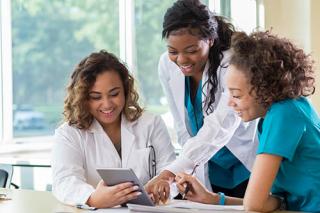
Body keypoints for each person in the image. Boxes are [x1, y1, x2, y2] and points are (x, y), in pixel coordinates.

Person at [175, 31, 320, 212]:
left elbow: (254, 204)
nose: (230, 102)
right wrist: (213, 199)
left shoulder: (283, 114)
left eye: (236, 94)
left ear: (264, 88)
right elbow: (277, 202)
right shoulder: (287, 110)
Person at [145, 0, 258, 203]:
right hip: (205, 171)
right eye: (173, 51)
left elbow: (221, 125)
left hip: (244, 168)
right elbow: (182, 127)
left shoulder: (231, 64)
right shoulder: (165, 65)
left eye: (191, 50)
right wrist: (179, 175)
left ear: (211, 40)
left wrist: (170, 172)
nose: (182, 60)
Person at [51, 50, 176, 208]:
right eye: (96, 97)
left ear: (125, 89)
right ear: (83, 98)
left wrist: (163, 187)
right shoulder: (68, 134)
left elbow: (171, 170)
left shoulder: (151, 124)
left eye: (114, 94)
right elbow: (64, 181)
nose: (107, 104)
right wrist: (93, 198)